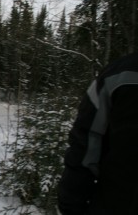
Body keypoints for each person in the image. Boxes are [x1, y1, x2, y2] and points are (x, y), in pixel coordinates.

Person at [57, 52, 138, 215]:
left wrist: (70, 205)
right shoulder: (116, 76)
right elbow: (85, 142)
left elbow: (85, 145)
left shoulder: (118, 74)